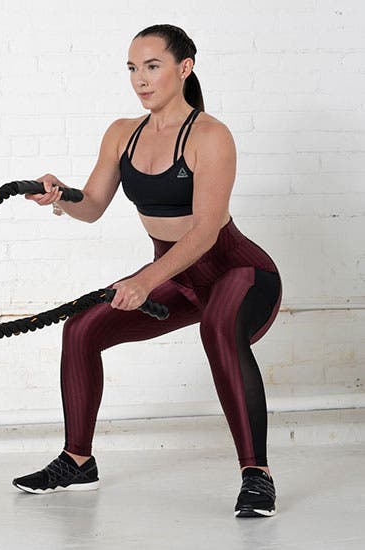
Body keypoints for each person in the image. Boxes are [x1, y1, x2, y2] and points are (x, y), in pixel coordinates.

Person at [15, 24, 282, 518]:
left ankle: (256, 476)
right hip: (179, 278)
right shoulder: (123, 134)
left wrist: (144, 280)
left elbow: (204, 232)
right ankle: (78, 460)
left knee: (218, 329)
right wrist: (60, 195)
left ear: (185, 68)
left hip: (238, 272)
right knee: (82, 329)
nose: (140, 79)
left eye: (153, 66)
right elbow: (92, 204)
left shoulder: (210, 136)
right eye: (133, 69)